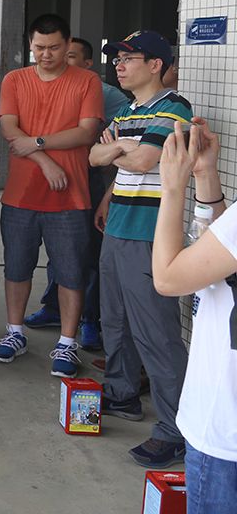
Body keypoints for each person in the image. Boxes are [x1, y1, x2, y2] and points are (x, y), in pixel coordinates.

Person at [88, 31, 191, 469]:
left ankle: (176, 430)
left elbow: (144, 161)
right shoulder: (129, 110)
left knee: (156, 334)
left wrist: (114, 150)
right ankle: (122, 393)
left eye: (129, 58)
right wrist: (119, 149)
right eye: (117, 58)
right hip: (118, 228)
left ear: (155, 65)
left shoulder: (173, 108)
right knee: (114, 320)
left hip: (151, 234)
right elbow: (94, 157)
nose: (119, 65)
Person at [0, 13, 103, 377]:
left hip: (70, 198)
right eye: (39, 47)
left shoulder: (87, 81)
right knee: (16, 267)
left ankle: (67, 343)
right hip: (20, 195)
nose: (46, 54)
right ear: (30, 44)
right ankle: (14, 333)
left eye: (54, 47)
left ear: (68, 44)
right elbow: (10, 129)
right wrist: (45, 161)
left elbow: (86, 132)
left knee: (71, 272)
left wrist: (37, 142)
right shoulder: (15, 80)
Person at [152, 116, 237, 510]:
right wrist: (206, 176)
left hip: (224, 435)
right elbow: (220, 256)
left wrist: (173, 187)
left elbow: (168, 278)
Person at [26, 36, 128, 349]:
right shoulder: (46, 86)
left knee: (87, 252)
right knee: (60, 249)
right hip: (52, 176)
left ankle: (89, 320)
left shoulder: (107, 94)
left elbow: (117, 139)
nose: (59, 59)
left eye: (70, 56)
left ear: (87, 64)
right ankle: (54, 307)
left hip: (89, 178)